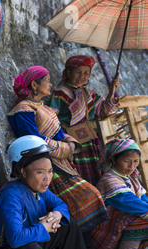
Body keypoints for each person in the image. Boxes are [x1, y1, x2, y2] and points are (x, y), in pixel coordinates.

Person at [8, 66, 109, 249]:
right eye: (47, 81)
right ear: (34, 85)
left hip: (60, 163)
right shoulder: (23, 110)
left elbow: (59, 132)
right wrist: (65, 148)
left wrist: (70, 141)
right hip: (46, 167)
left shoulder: (41, 106)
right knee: (87, 196)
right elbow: (35, 142)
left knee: (82, 201)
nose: (51, 85)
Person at [49, 55, 120, 185]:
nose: (82, 76)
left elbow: (103, 111)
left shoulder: (89, 93)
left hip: (91, 140)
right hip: (72, 142)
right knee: (80, 174)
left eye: (86, 73)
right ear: (69, 72)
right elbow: (51, 116)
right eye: (78, 72)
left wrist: (111, 92)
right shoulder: (60, 93)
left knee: (97, 171)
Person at [92, 139, 148, 249]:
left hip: (119, 227)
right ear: (113, 159)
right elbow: (132, 203)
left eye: (135, 161)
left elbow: (143, 199)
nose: (132, 166)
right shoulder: (110, 179)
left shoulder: (131, 178)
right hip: (103, 233)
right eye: (127, 161)